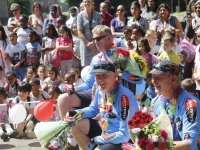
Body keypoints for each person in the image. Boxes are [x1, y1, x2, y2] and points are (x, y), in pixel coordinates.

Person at [67, 61, 138, 150]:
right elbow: (93, 109)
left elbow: (125, 135)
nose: (100, 79)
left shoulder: (124, 97)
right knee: (75, 124)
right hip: (105, 132)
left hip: (123, 140)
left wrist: (97, 140)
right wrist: (75, 113)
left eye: (104, 75)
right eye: (97, 76)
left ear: (115, 75)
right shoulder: (99, 90)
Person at [57, 25, 115, 120]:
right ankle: (68, 130)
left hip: (113, 95)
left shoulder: (120, 55)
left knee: (99, 116)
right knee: (62, 99)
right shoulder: (96, 59)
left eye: (98, 38)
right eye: (94, 39)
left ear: (109, 38)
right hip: (95, 92)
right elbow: (89, 83)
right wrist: (74, 89)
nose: (95, 42)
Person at [150, 60, 200, 150]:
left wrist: (160, 147)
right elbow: (154, 133)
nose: (153, 81)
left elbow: (190, 143)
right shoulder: (156, 102)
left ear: (174, 79)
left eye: (158, 77)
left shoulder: (189, 103)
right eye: (153, 77)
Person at [77, 0, 102, 67]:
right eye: (85, 2)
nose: (86, 3)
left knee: (97, 65)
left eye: (88, 1)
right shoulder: (80, 16)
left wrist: (93, 43)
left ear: (92, 2)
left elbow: (100, 30)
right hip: (85, 44)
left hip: (96, 43)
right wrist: (88, 43)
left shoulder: (98, 15)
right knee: (86, 67)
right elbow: (79, 32)